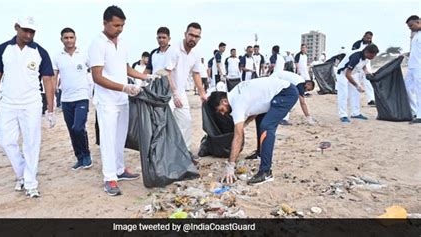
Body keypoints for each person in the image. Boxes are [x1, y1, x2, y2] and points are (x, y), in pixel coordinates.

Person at [0, 16, 55, 198]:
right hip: (8, 103)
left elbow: (48, 81)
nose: (29, 34)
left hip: (32, 103)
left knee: (31, 143)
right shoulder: (2, 49)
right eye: (25, 30)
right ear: (16, 28)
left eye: (32, 31)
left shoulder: (40, 52)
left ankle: (30, 183)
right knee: (5, 140)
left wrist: (51, 110)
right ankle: (22, 172)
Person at [88, 6, 159, 196]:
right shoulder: (97, 44)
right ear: (105, 23)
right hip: (107, 101)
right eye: (116, 25)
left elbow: (126, 68)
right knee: (108, 139)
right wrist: (123, 87)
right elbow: (97, 76)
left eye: (122, 25)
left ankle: (119, 170)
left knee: (120, 138)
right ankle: (109, 178)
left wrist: (145, 77)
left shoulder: (123, 43)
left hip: (122, 99)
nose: (119, 29)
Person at [207, 77, 299, 185]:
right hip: (277, 92)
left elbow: (238, 137)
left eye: (221, 110)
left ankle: (266, 172)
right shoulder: (235, 94)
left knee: (266, 126)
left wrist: (230, 165)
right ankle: (260, 153)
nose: (222, 113)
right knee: (260, 119)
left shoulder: (237, 103)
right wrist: (245, 123)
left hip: (286, 93)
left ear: (224, 101)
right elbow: (255, 107)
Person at [165, 22, 207, 162]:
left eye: (196, 36)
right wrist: (174, 94)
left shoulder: (195, 53)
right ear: (185, 34)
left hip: (180, 91)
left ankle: (185, 152)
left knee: (186, 121)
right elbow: (167, 73)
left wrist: (202, 93)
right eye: (191, 35)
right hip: (166, 91)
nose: (193, 39)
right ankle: (163, 154)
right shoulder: (174, 50)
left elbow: (196, 74)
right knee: (164, 123)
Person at [52, 27, 92, 170]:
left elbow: (96, 70)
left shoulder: (84, 55)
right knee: (71, 130)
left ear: (75, 38)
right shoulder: (57, 57)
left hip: (82, 97)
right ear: (61, 39)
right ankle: (79, 158)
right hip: (66, 99)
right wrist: (51, 99)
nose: (69, 40)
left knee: (78, 127)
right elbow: (53, 77)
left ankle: (86, 155)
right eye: (66, 38)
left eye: (71, 37)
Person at [336, 44, 379, 123]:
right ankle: (343, 115)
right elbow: (347, 74)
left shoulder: (366, 57)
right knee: (344, 94)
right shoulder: (356, 57)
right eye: (372, 56)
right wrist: (357, 85)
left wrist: (367, 72)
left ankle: (355, 113)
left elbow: (363, 65)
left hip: (352, 73)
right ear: (367, 52)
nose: (373, 58)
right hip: (342, 73)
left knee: (356, 93)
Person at [352, 31, 376, 106]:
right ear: (364, 36)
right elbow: (353, 53)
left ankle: (371, 100)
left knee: (368, 82)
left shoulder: (371, 45)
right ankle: (354, 101)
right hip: (357, 64)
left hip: (366, 64)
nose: (368, 39)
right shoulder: (357, 44)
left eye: (370, 38)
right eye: (367, 37)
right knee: (356, 82)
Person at [405, 15, 421, 123]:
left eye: (411, 25)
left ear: (418, 22)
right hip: (412, 67)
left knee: (419, 91)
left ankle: (420, 116)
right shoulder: (416, 35)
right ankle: (415, 111)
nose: (410, 28)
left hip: (419, 67)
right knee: (407, 88)